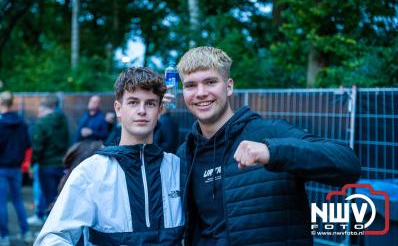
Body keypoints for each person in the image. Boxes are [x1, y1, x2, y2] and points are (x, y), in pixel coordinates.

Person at [175, 47, 361, 245]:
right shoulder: (185, 154)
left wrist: (273, 152)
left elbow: (348, 164)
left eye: (210, 82)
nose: (201, 93)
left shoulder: (271, 134)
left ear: (229, 86)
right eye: (191, 85)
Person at [34, 67, 184, 245]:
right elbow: (51, 238)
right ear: (118, 109)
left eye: (150, 103)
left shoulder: (177, 167)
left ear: (160, 110)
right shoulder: (91, 171)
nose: (142, 110)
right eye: (133, 102)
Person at [0, 91, 32, 245]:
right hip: (17, 168)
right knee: (17, 201)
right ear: (12, 103)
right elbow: (27, 144)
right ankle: (25, 233)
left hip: (2, 168)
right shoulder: (22, 123)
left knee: (1, 203)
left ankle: (4, 237)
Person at [31, 94, 69, 218]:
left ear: (43, 108)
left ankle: (49, 233)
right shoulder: (63, 120)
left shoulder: (41, 123)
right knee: (60, 200)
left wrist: (32, 164)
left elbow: (37, 148)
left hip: (46, 166)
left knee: (49, 200)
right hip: (61, 165)